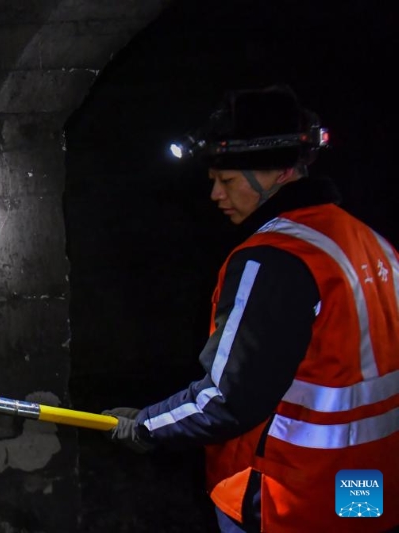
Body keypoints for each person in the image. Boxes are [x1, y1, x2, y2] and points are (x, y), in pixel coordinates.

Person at [102, 85, 398, 532]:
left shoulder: (273, 257)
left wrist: (145, 425)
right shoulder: (369, 241)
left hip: (293, 495)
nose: (216, 196)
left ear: (279, 172)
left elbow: (229, 398)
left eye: (228, 181)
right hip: (366, 487)